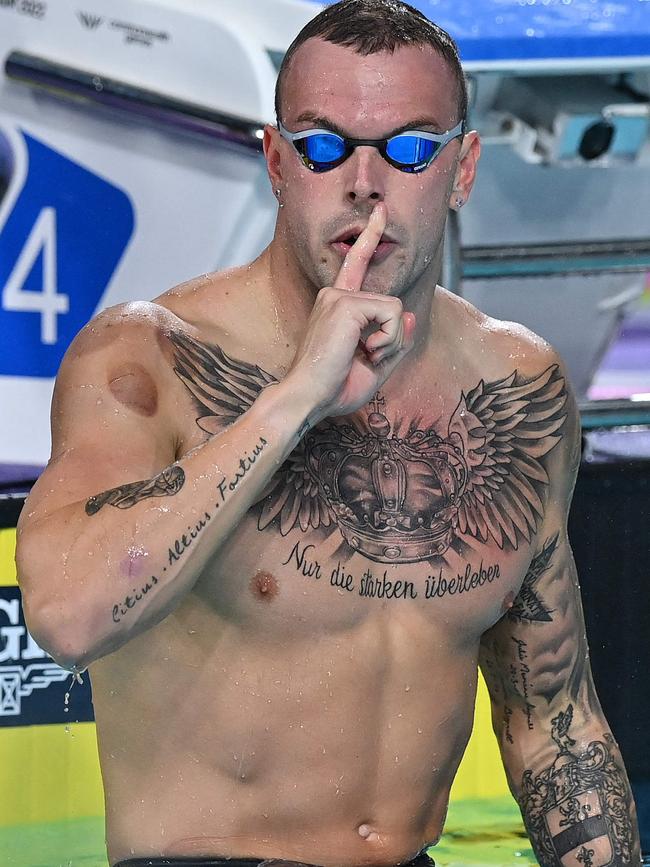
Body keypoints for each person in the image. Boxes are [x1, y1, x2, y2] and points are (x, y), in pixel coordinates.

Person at [16, 1, 641, 865]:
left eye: (410, 149)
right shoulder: (151, 354)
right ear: (277, 161)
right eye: (323, 147)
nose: (363, 182)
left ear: (461, 170)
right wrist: (295, 399)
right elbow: (67, 616)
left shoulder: (516, 382)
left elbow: (554, 723)